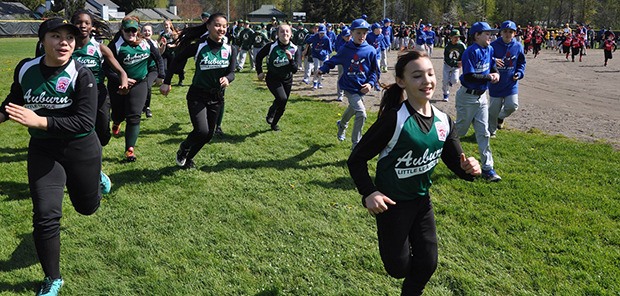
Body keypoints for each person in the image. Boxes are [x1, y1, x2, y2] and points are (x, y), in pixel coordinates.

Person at [347, 50, 481, 296]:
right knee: (398, 268)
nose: (426, 81)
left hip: (421, 202)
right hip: (391, 205)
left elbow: (456, 164)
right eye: (417, 76)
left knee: (428, 263)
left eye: (430, 74)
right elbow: (356, 159)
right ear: (401, 82)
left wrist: (470, 169)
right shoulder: (393, 120)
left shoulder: (443, 121)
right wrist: (369, 192)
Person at [0, 18, 111, 296]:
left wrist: (40, 122)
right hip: (43, 151)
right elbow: (15, 100)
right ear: (42, 40)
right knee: (45, 215)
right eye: (56, 36)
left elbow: (85, 122)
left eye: (70, 38)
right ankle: (53, 278)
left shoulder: (81, 74)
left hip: (81, 149)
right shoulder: (26, 68)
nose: (64, 42)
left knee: (87, 208)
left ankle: (96, 177)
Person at [160, 13, 236, 169]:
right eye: (217, 25)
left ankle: (188, 158)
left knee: (208, 135)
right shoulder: (199, 46)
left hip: (216, 96)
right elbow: (177, 59)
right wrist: (166, 82)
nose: (221, 29)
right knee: (201, 130)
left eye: (224, 26)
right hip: (197, 95)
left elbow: (232, 72)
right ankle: (184, 147)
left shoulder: (230, 49)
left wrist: (228, 78)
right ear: (208, 26)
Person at [108, 16, 165, 162]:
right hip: (119, 85)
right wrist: (122, 79)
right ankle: (117, 120)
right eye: (128, 30)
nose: (131, 33)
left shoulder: (145, 43)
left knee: (134, 115)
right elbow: (106, 69)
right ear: (122, 30)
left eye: (134, 30)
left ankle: (129, 149)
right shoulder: (115, 45)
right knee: (119, 112)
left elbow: (157, 59)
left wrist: (157, 77)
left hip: (140, 82)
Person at [317, 18, 377, 150]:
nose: (362, 36)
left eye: (364, 33)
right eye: (358, 33)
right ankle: (356, 145)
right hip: (349, 87)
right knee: (361, 113)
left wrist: (370, 84)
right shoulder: (346, 49)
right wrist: (323, 69)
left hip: (362, 88)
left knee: (353, 108)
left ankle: (342, 124)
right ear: (352, 33)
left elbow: (375, 71)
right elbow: (333, 60)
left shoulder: (371, 50)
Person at [70, 10, 129, 145]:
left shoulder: (100, 48)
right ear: (72, 25)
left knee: (103, 134)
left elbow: (121, 71)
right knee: (78, 130)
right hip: (74, 94)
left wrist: (124, 84)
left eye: (87, 23)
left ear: (92, 27)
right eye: (78, 23)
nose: (83, 26)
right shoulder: (66, 48)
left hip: (98, 93)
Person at [454, 21, 502, 181]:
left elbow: (492, 67)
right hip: (467, 97)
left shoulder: (490, 49)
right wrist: (489, 77)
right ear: (476, 35)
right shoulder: (470, 51)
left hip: (482, 96)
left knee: (484, 132)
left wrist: (496, 74)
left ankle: (488, 169)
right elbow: (469, 75)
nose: (491, 36)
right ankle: (433, 146)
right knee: (459, 131)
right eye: (487, 33)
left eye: (491, 33)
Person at [255, 23, 298, 131]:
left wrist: (291, 60)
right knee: (281, 98)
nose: (285, 33)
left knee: (282, 103)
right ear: (277, 34)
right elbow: (259, 57)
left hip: (287, 79)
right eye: (282, 31)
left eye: (287, 31)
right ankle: (271, 111)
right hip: (273, 78)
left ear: (291, 33)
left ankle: (274, 123)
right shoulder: (271, 46)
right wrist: (259, 71)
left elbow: (295, 70)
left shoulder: (294, 48)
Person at [488, 20, 526, 137]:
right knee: (493, 110)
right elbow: (485, 60)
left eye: (511, 31)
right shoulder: (493, 46)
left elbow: (521, 63)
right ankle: (491, 131)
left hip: (511, 83)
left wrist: (519, 73)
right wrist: (493, 60)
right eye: (505, 31)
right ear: (500, 32)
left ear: (514, 33)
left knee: (512, 105)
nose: (507, 34)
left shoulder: (518, 46)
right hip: (496, 83)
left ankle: (501, 117)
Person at [141, 23, 160, 118]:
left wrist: (161, 75)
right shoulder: (138, 43)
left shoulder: (153, 43)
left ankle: (147, 107)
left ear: (152, 32)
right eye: (145, 30)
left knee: (147, 86)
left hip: (152, 69)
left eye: (149, 30)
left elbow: (159, 57)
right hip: (141, 69)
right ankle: (141, 107)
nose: (147, 32)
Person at [442, 29, 466, 102]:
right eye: (455, 37)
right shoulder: (448, 46)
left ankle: (450, 82)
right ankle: (445, 94)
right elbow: (446, 58)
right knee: (445, 81)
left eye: (458, 37)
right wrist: (456, 63)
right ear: (451, 37)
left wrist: (462, 62)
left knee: (455, 80)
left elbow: (465, 55)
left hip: (456, 66)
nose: (457, 39)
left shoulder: (461, 45)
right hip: (447, 65)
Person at [307, 24, 332, 89]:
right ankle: (315, 82)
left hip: (323, 56)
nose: (321, 35)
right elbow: (308, 41)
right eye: (320, 33)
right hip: (315, 55)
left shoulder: (327, 39)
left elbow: (330, 50)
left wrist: (324, 52)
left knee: (321, 69)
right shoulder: (315, 36)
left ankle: (319, 82)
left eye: (323, 33)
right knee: (316, 67)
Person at [334, 27, 351, 102]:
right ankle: (340, 94)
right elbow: (337, 50)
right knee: (341, 76)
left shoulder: (353, 42)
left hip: (351, 62)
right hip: (342, 61)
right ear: (342, 36)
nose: (348, 37)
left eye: (349, 35)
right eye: (347, 36)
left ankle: (349, 92)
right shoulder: (340, 42)